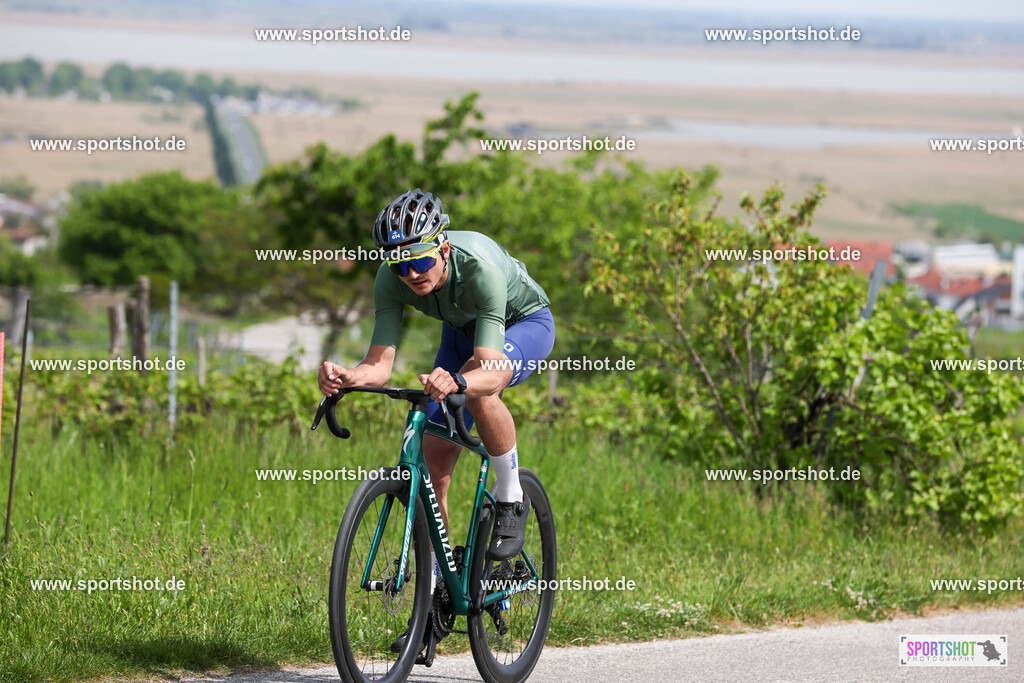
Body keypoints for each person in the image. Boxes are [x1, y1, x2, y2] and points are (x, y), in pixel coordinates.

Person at [317, 188, 555, 638]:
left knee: (481, 392)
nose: (410, 274)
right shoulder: (392, 278)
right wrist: (346, 376)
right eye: (399, 265)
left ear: (443, 248)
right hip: (462, 332)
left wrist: (460, 382)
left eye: (420, 262)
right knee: (432, 462)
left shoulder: (478, 268)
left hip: (523, 324)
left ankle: (510, 498)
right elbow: (379, 365)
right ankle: (437, 589)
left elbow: (487, 365)